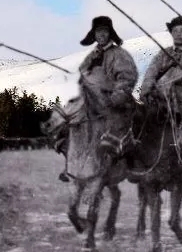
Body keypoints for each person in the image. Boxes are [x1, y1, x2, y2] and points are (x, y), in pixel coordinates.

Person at [57, 15, 139, 182]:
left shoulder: (119, 54)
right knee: (67, 124)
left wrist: (117, 96)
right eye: (98, 32)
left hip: (113, 101)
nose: (101, 35)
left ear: (110, 33)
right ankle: (71, 166)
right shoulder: (91, 56)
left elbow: (127, 77)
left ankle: (123, 165)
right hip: (90, 101)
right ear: (93, 35)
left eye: (104, 31)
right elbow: (82, 75)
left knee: (114, 130)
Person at [139, 15, 182, 117]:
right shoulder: (163, 53)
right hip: (160, 104)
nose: (178, 34)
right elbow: (151, 72)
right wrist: (145, 91)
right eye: (175, 31)